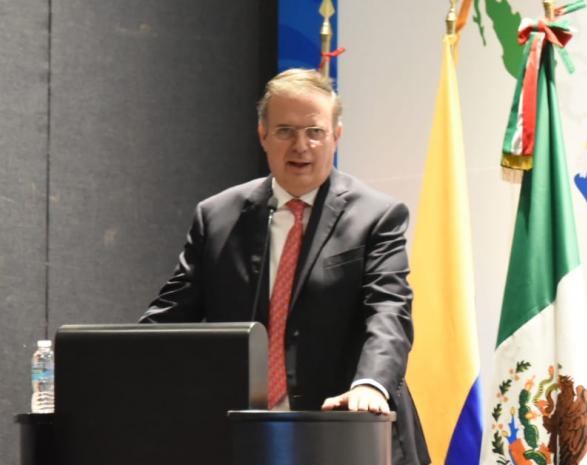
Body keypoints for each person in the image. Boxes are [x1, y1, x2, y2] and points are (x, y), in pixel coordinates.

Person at [140, 68, 429, 465]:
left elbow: (388, 311)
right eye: (285, 131)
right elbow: (168, 319)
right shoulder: (217, 216)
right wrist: (113, 366)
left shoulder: (377, 216)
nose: (301, 146)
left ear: (336, 136)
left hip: (347, 429)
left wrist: (371, 384)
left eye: (315, 132)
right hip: (246, 436)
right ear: (263, 135)